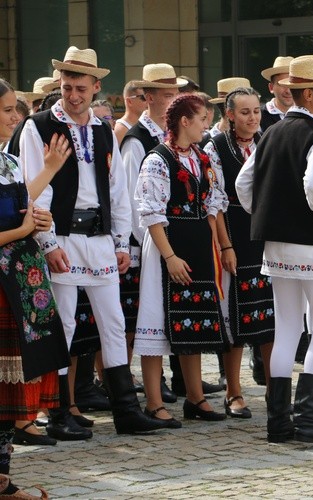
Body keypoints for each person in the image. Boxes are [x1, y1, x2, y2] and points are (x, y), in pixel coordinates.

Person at [14, 46, 166, 438]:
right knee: (63, 324)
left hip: (98, 236)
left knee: (113, 323)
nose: (73, 94)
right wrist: (47, 243)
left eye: (81, 87)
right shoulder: (40, 126)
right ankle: (59, 412)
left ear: (97, 87)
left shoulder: (101, 129)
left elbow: (115, 189)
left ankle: (126, 411)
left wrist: (120, 242)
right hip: (62, 234)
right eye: (67, 87)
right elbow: (35, 188)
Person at [235, 54, 313, 448]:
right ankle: (309, 419)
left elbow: (243, 183)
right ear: (311, 94)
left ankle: (279, 423)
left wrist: (268, 214)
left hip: (278, 244)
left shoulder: (271, 132)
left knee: (286, 328)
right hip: (311, 243)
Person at [134, 93, 229, 427]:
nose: (207, 124)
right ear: (185, 121)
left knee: (195, 321)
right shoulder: (157, 160)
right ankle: (155, 402)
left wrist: (220, 246)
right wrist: (169, 256)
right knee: (157, 321)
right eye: (202, 118)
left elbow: (213, 204)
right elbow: (151, 213)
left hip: (197, 246)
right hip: (167, 246)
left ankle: (195, 397)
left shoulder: (201, 158)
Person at [0, 78, 70, 497]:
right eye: (7, 109)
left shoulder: (5, 160)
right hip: (2, 286)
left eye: (16, 109)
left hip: (18, 284)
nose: (15, 117)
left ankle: (4, 480)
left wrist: (47, 176)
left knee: (9, 393)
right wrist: (25, 227)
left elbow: (18, 206)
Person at [204, 86, 274, 417]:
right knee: (234, 314)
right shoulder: (216, 148)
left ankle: (276, 387)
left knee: (270, 313)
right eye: (245, 112)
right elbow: (213, 203)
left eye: (257, 111)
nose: (253, 118)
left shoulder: (267, 142)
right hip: (234, 232)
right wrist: (225, 245)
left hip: (266, 235)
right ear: (230, 115)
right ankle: (233, 390)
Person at [121, 64, 183, 404]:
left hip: (168, 238)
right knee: (140, 316)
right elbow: (133, 200)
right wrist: (150, 242)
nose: (173, 102)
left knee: (165, 310)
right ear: (148, 98)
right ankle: (141, 383)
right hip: (146, 241)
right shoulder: (137, 140)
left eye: (176, 95)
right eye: (168, 96)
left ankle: (165, 381)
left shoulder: (168, 136)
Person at [260, 57, 294, 132]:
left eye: (291, 85)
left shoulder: (309, 114)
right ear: (271, 87)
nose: (288, 91)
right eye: (282, 84)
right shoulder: (258, 116)